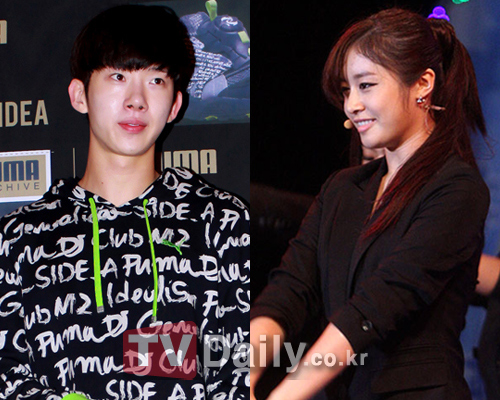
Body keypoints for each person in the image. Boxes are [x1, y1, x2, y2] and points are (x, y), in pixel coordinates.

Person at [0, 5, 249, 400]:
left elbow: (236, 374)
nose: (136, 101)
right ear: (80, 95)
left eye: (156, 80)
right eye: (118, 76)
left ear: (175, 105)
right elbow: (7, 374)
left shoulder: (220, 223)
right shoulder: (19, 237)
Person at [250, 8, 489, 400]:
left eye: (366, 86)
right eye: (347, 90)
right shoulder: (342, 189)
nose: (352, 105)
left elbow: (378, 304)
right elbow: (291, 289)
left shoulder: (457, 190)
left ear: (422, 84)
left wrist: (286, 394)